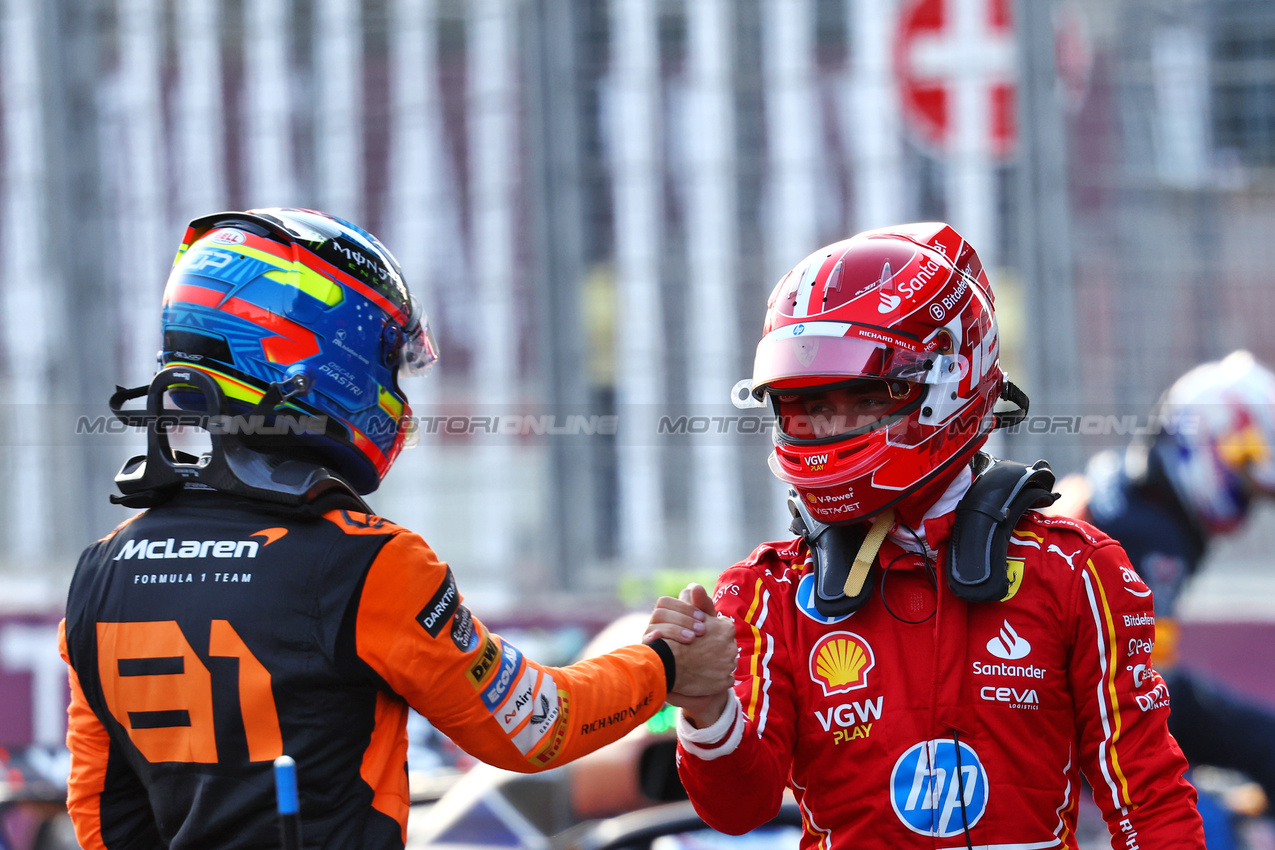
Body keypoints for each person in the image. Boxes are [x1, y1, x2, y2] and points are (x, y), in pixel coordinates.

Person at [58, 208, 736, 850]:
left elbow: (101, 818)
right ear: (310, 357)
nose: (395, 386)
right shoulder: (367, 562)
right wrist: (665, 665)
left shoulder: (99, 571)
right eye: (386, 360)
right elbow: (534, 728)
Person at [659, 223, 1205, 847]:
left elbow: (1149, 800)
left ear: (953, 380)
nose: (829, 423)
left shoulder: (1077, 571)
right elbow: (739, 811)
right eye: (804, 403)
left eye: (863, 394)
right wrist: (706, 712)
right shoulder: (766, 594)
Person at [1047, 350, 1275, 809]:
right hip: (1058, 725)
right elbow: (1137, 698)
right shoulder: (1155, 537)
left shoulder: (1123, 490)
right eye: (1244, 482)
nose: (1244, 505)